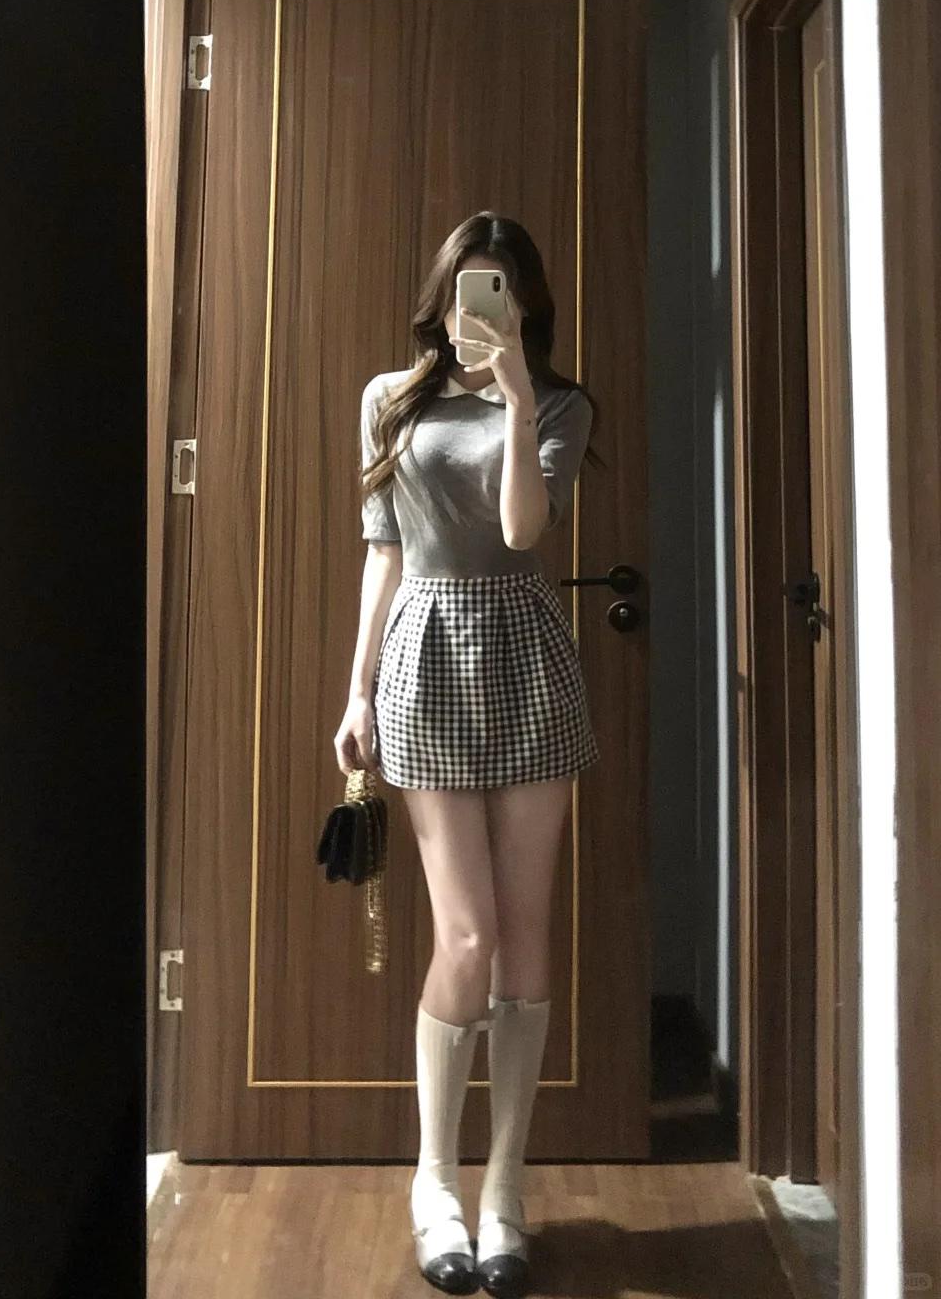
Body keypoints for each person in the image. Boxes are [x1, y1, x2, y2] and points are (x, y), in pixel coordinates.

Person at [333, 211, 600, 1299]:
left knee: (527, 939)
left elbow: (527, 532)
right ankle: (434, 1181)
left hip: (527, 653)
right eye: (463, 288)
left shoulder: (562, 405)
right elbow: (383, 551)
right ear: (442, 295)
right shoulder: (389, 399)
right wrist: (355, 687)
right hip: (426, 655)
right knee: (470, 935)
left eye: (498, 290)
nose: (476, 308)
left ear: (523, 304)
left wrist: (520, 399)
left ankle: (504, 1190)